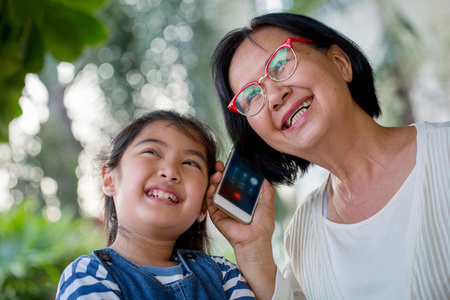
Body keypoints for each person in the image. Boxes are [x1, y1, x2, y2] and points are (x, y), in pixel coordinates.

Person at [206, 12, 450, 300]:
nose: (273, 96)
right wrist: (252, 249)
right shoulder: (301, 235)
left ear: (340, 63)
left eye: (281, 63)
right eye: (251, 97)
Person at [55, 110, 256, 299]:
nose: (170, 171)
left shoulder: (224, 275)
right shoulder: (88, 275)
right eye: (151, 152)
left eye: (190, 163)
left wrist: (251, 243)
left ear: (203, 206)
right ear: (109, 180)